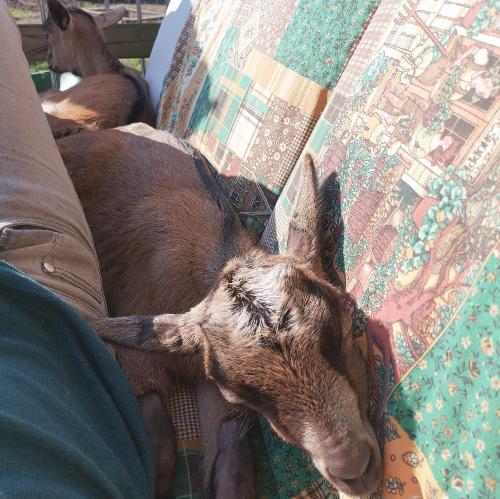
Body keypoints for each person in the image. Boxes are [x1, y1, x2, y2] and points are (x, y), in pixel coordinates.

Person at [0, 4, 153, 497]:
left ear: (66, 27)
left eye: (50, 40)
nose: (49, 55)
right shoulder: (126, 87)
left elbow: (54, 111)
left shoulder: (100, 92)